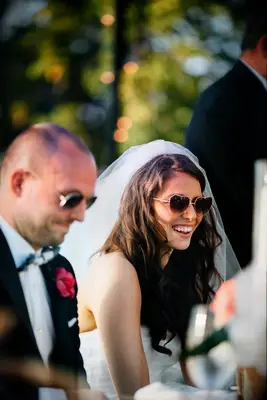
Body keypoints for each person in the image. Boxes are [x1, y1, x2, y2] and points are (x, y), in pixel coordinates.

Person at [60, 140, 241, 399]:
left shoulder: (181, 275)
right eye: (177, 202)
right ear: (144, 205)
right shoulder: (116, 271)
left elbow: (201, 383)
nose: (191, 215)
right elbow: (136, 395)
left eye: (200, 204)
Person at [0, 123, 98, 399]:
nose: (81, 216)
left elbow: (74, 376)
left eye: (87, 202)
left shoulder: (61, 269)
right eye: (70, 198)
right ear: (19, 183)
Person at [185, 7, 267, 268]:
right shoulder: (228, 101)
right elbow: (243, 189)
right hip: (235, 256)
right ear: (265, 45)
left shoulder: (240, 96)